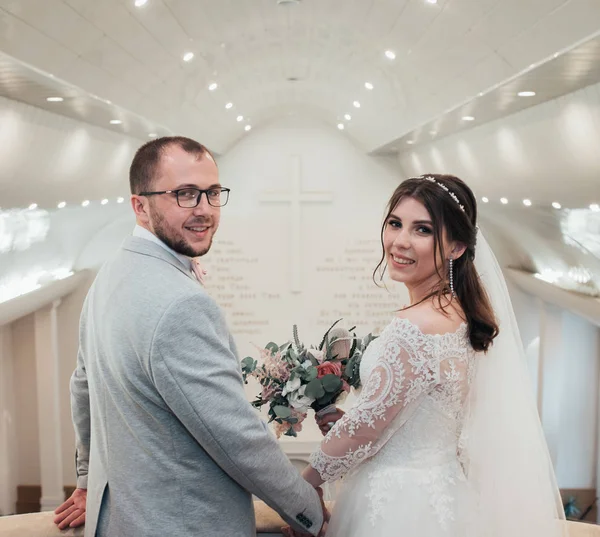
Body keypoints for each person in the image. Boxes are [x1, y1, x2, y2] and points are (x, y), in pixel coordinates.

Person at [54, 136, 328, 537]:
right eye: (184, 194)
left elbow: (83, 386)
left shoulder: (110, 272)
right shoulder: (180, 303)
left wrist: (85, 479)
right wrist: (308, 512)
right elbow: (237, 437)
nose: (204, 210)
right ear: (140, 206)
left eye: (212, 193)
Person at [295, 174, 568, 536]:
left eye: (422, 230)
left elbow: (365, 430)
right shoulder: (461, 316)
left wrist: (304, 484)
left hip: (397, 505)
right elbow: (421, 417)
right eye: (395, 224)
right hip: (446, 495)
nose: (400, 241)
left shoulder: (415, 327)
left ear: (456, 247)